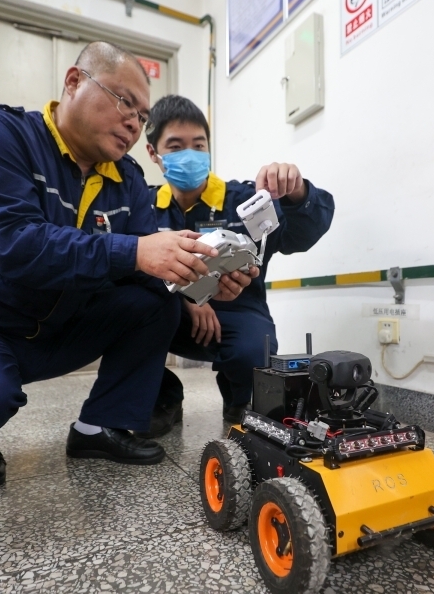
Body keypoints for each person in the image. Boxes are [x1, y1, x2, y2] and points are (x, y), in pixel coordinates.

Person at [0, 43, 256, 491]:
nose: (134, 123)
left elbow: (146, 266)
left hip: (54, 324)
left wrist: (201, 284)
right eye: (124, 101)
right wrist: (137, 252)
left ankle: (100, 426)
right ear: (74, 82)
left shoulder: (128, 178)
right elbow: (13, 243)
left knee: (155, 301)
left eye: (141, 116)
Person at [140, 95, 334, 437]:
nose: (190, 154)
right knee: (126, 316)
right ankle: (161, 396)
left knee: (253, 349)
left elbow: (299, 235)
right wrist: (188, 297)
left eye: (199, 145)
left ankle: (240, 395)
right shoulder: (144, 207)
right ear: (153, 153)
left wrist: (297, 193)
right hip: (169, 310)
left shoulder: (244, 202)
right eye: (176, 146)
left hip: (239, 311)